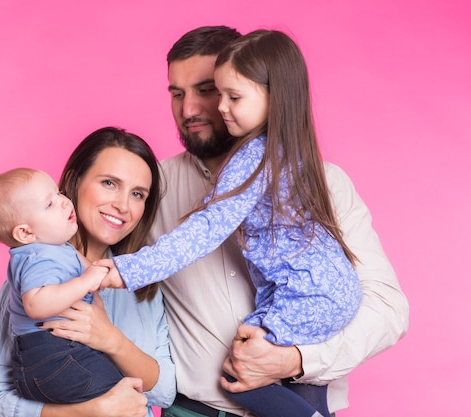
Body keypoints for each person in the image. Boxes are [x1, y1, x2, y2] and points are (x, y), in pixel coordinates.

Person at [143, 26, 408, 417]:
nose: (189, 110)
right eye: (177, 94)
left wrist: (297, 360)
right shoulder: (150, 186)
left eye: (207, 90)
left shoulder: (324, 183)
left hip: (306, 402)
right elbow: (78, 262)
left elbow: (387, 310)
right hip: (197, 410)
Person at [0, 127, 176, 417]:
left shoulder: (143, 286)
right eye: (109, 183)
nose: (122, 205)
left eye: (137, 194)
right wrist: (90, 411)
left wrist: (109, 338)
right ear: (74, 181)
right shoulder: (33, 281)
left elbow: (164, 392)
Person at [0, 167, 124, 403]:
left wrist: (111, 272)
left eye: (58, 194)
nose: (65, 202)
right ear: (26, 233)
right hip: (49, 356)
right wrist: (85, 281)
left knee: (118, 388)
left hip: (59, 354)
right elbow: (37, 304)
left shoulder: (58, 249)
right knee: (116, 393)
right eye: (49, 204)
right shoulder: (37, 257)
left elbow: (92, 270)